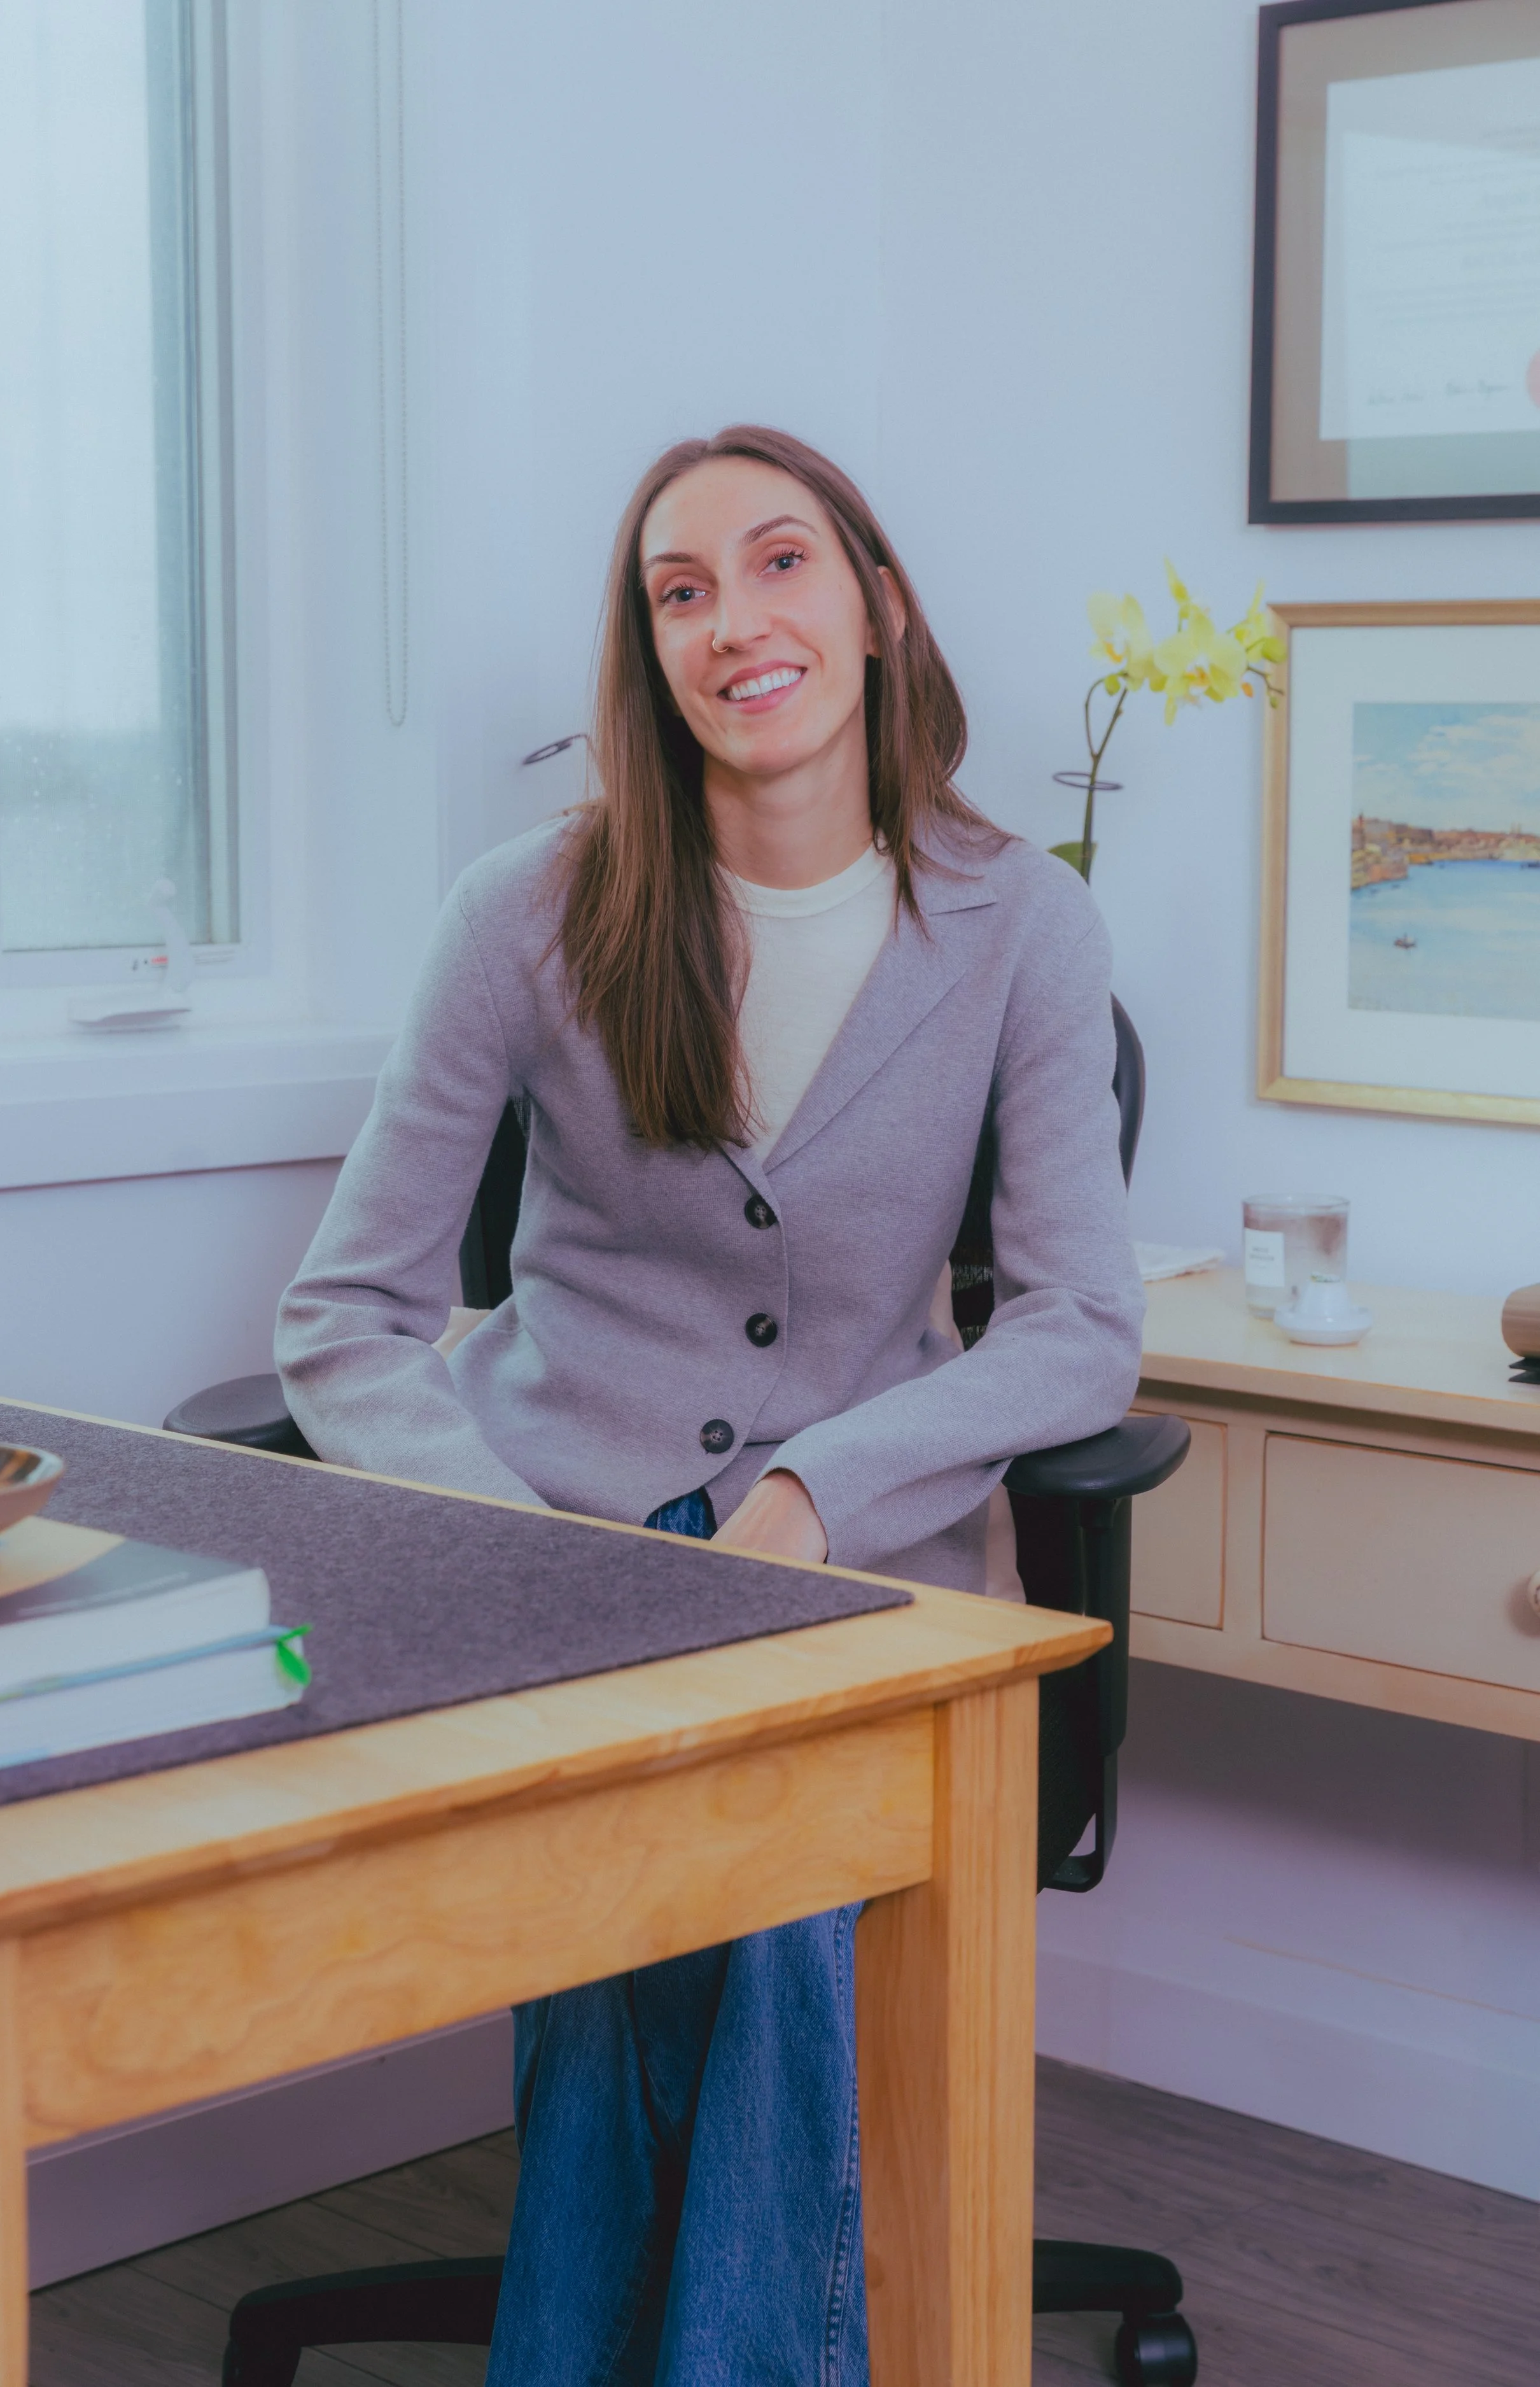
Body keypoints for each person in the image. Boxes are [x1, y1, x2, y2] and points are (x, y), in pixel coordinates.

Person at [277, 425, 1144, 2386]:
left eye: (778, 562)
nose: (733, 618)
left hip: (862, 1568)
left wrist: (818, 1493)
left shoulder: (1021, 922)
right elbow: (344, 1317)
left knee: (750, 1845)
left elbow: (1080, 1326)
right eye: (681, 590)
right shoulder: (524, 909)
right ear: (648, 654)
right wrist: (530, 1556)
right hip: (560, 1551)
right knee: (678, 1828)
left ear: (876, 605)